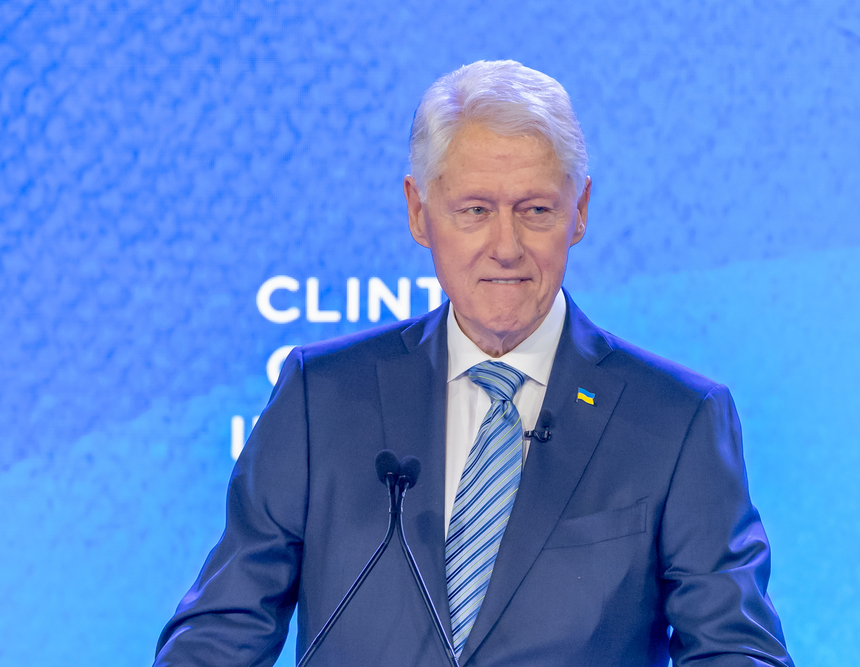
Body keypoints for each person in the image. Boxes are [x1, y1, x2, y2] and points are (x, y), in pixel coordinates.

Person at [155, 60, 794, 667]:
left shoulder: (676, 422)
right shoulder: (319, 400)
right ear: (419, 212)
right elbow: (221, 632)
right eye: (476, 211)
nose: (506, 247)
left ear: (580, 212)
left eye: (535, 210)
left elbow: (735, 648)